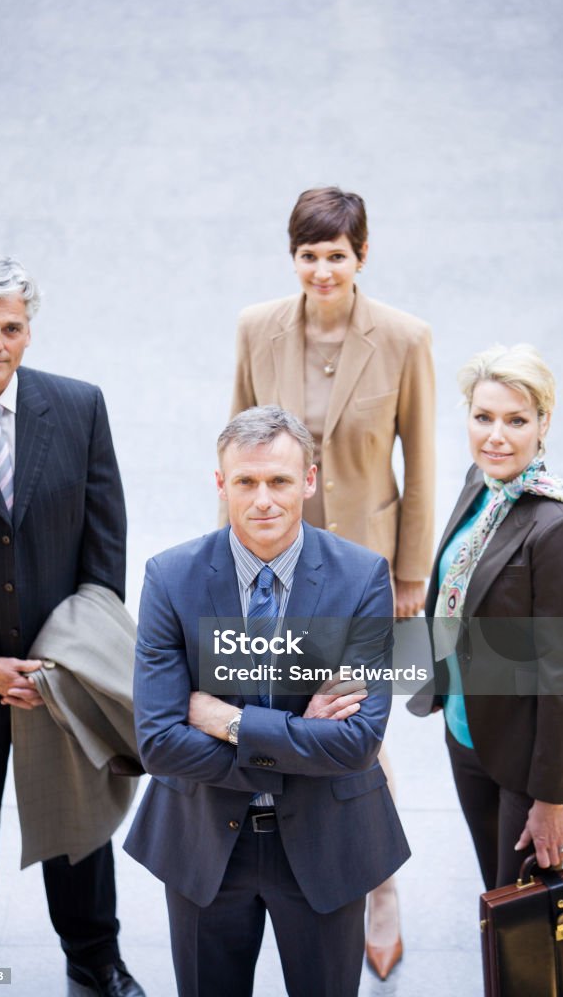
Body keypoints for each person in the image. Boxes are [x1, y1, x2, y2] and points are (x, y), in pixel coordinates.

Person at [125, 405, 410, 997]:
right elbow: (158, 742)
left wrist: (225, 719)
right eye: (246, 482)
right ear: (221, 482)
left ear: (308, 480)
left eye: (280, 481)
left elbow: (357, 742)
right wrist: (297, 736)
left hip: (327, 843)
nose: (263, 500)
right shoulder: (170, 577)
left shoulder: (361, 578)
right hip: (204, 844)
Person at [227, 186, 435, 977]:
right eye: (309, 255)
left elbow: (421, 462)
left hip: (363, 569)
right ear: (294, 256)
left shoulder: (405, 338)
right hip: (271, 565)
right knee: (286, 713)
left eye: (336, 256)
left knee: (355, 729)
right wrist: (226, 568)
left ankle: (377, 886)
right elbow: (237, 455)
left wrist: (408, 571)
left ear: (362, 255)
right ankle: (299, 875)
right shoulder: (256, 328)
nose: (322, 270)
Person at [0, 257, 144, 997]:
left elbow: (104, 546)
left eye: (10, 327)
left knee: (80, 829)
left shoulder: (78, 408)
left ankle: (95, 961)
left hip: (62, 674)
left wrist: (70, 661)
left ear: (29, 333)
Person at [411, 344, 563, 890]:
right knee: (496, 903)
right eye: (483, 417)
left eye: (516, 420)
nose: (495, 436)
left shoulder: (559, 527)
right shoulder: (481, 486)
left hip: (530, 759)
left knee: (528, 922)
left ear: (544, 423)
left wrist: (550, 798)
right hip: (468, 734)